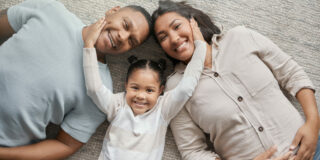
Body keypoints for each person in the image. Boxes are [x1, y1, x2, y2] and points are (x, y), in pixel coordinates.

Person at [152, 0, 320, 160]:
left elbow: (292, 73)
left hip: (312, 150)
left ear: (193, 22)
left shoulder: (240, 37)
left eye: (177, 26)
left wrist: (313, 123)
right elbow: (192, 151)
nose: (174, 38)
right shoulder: (175, 88)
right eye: (163, 37)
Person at [0, 0, 151, 159]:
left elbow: (65, 145)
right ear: (113, 11)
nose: (122, 36)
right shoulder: (50, 10)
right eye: (125, 25)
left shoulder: (100, 90)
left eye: (131, 41)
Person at [82, 16, 205, 160]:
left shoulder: (163, 109)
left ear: (160, 90)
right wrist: (89, 45)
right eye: (135, 88)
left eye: (149, 90)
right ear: (126, 85)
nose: (141, 96)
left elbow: (185, 88)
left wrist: (200, 45)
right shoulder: (117, 105)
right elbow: (94, 89)